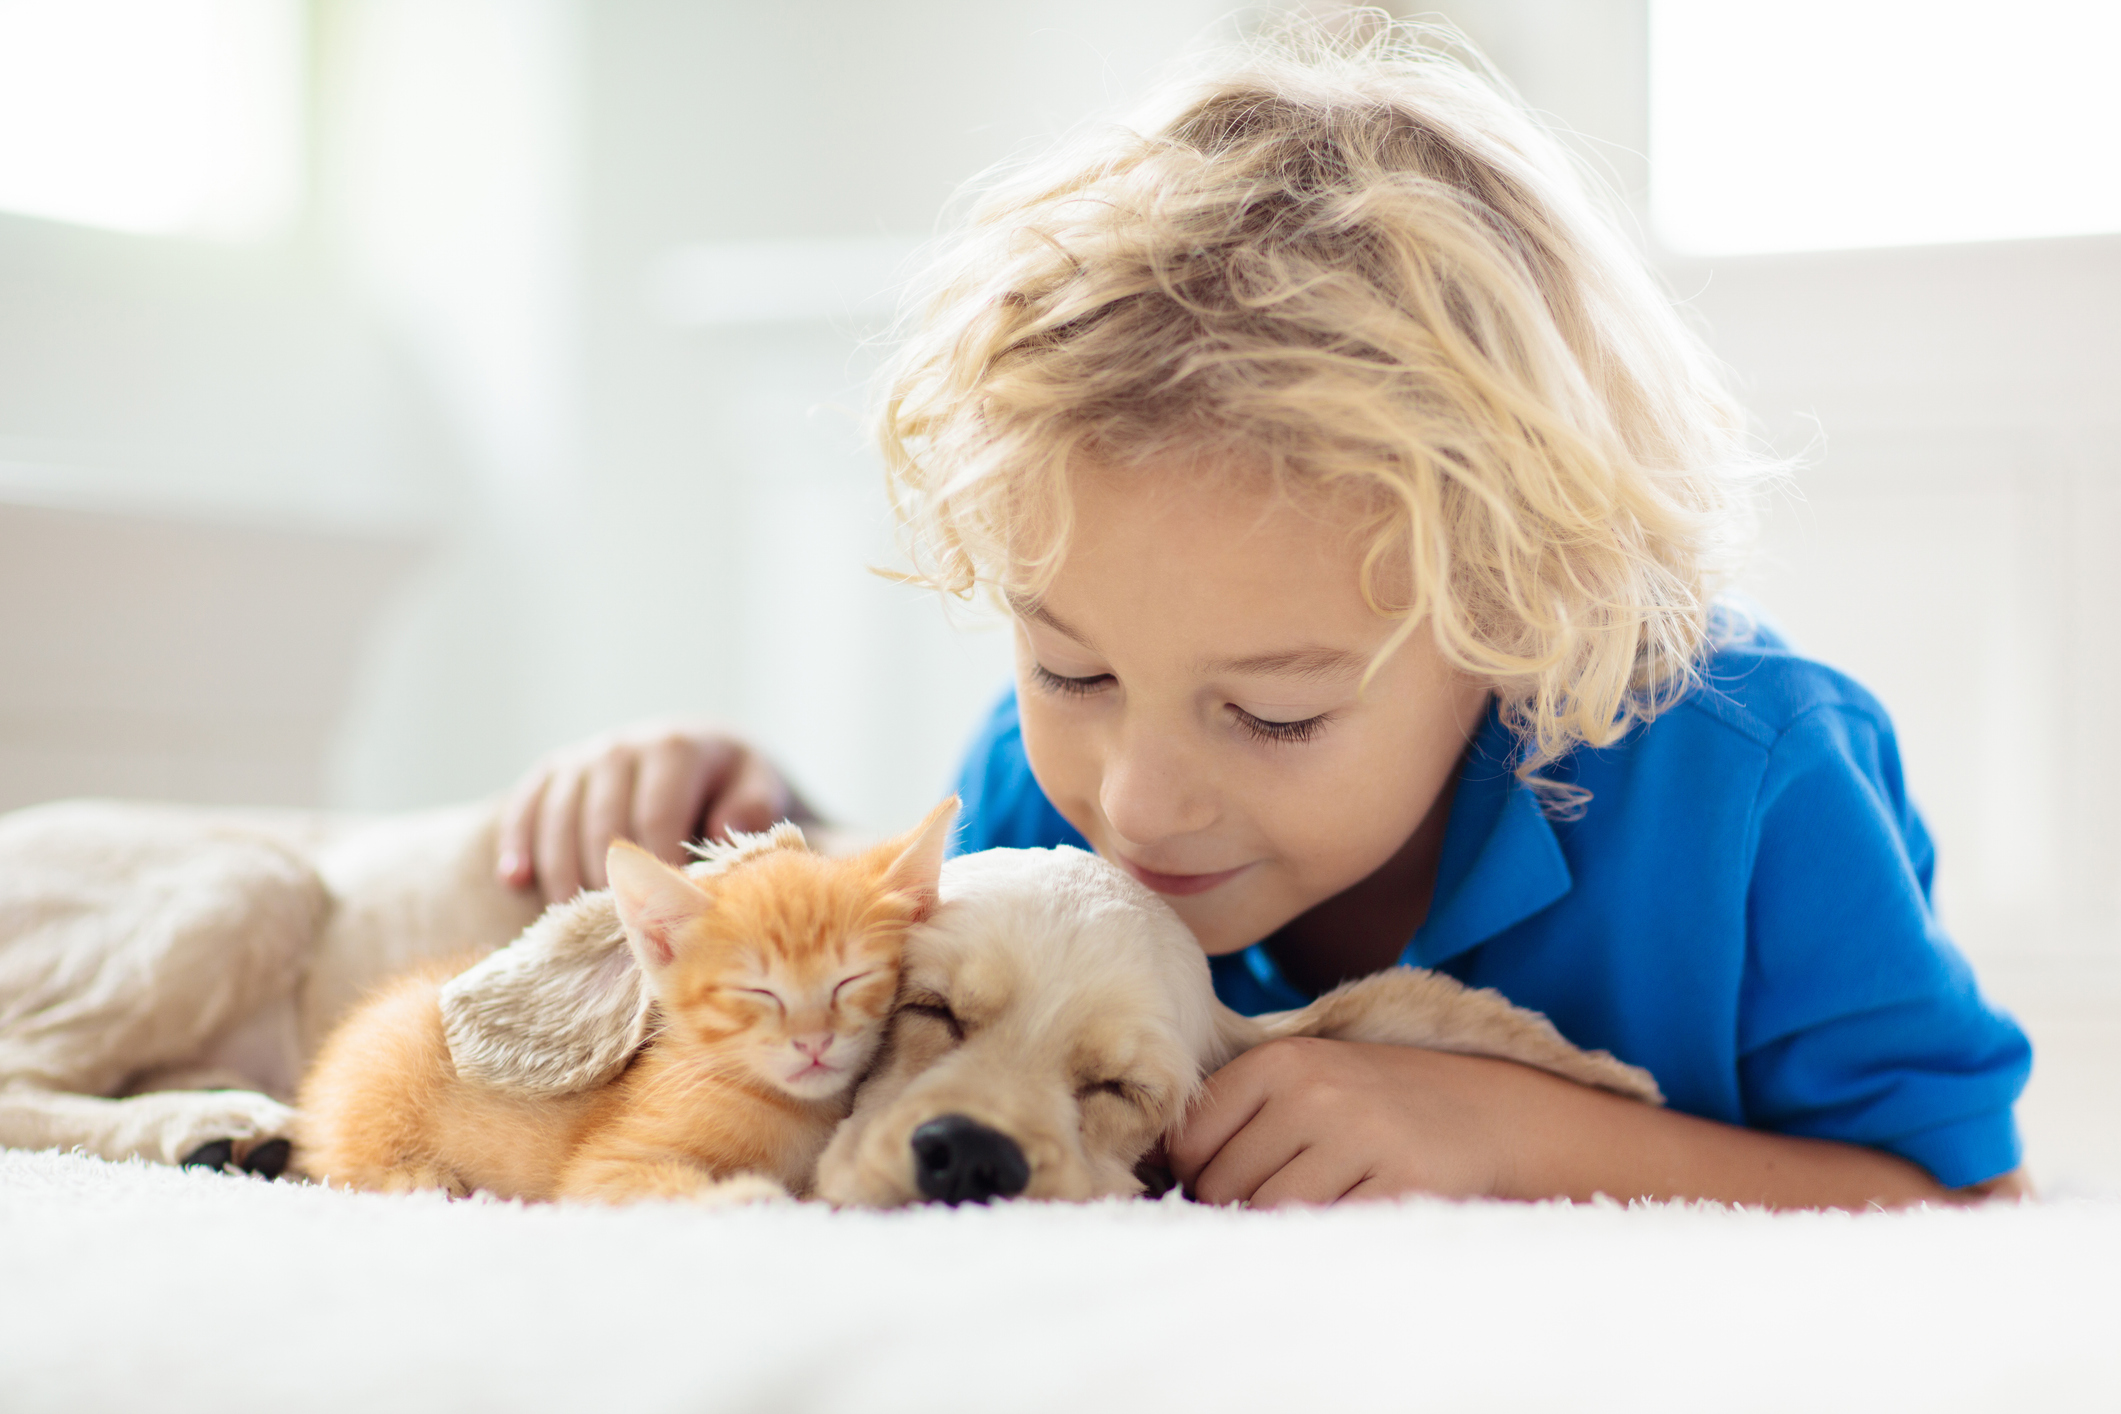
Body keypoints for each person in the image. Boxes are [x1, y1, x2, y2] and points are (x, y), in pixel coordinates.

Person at [496, 22, 2030, 1209]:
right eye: (1068, 663)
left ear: (1513, 621)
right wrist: (740, 818)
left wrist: (1499, 1129)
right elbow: (916, 999)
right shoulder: (1053, 804)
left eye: (1277, 710)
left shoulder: (1759, 780)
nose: (1135, 798)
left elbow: (1963, 1198)